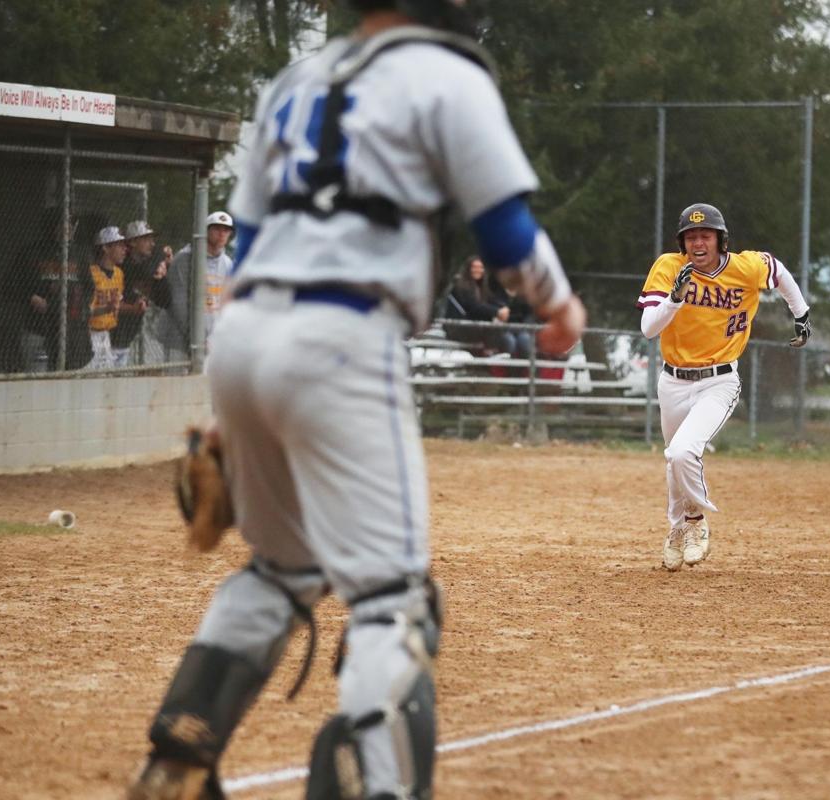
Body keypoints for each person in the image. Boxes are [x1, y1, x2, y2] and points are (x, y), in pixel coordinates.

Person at [126, 2, 586, 798]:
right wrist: (561, 306)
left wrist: (230, 408)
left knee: (283, 568)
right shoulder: (444, 73)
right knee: (391, 598)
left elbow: (252, 241)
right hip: (342, 337)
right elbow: (505, 230)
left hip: (245, 336)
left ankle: (176, 763)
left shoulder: (299, 78)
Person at [636, 203, 811, 572]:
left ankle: (696, 521)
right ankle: (677, 529)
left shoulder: (745, 267)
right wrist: (675, 299)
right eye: (690, 237)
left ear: (720, 239)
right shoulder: (669, 267)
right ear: (682, 243)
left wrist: (801, 313)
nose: (698, 243)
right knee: (673, 460)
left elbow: (779, 272)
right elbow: (649, 328)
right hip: (673, 381)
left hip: (719, 380)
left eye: (706, 236)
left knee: (683, 451)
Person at [1, 208, 94, 372]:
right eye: (64, 223)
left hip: (69, 333)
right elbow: (9, 286)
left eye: (71, 223)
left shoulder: (79, 254)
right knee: (40, 379)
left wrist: (75, 302)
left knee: (69, 378)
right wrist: (32, 298)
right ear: (52, 225)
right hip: (39, 329)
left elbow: (89, 287)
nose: (69, 228)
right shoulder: (32, 253)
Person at [157, 211, 234, 362]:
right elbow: (178, 303)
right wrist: (197, 339)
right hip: (179, 341)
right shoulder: (186, 258)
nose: (222, 233)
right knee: (177, 378)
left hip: (210, 343)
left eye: (226, 230)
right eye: (216, 228)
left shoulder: (227, 263)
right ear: (206, 231)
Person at [443, 255, 522, 355]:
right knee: (495, 327)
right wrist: (497, 312)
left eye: (480, 267)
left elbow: (491, 300)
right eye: (474, 267)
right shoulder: (460, 285)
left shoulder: (481, 286)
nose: (478, 270)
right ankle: (489, 353)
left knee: (501, 328)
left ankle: (492, 353)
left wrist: (503, 308)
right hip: (457, 327)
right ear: (468, 269)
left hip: (471, 327)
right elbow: (474, 307)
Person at [120, 220, 174, 366]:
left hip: (129, 338)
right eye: (146, 239)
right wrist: (160, 258)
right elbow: (143, 271)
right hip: (110, 337)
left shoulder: (151, 264)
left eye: (152, 239)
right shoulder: (122, 263)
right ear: (132, 242)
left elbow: (165, 301)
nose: (152, 244)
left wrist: (161, 275)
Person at [87, 226, 128, 370]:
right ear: (105, 248)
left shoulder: (119, 273)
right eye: (119, 245)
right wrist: (107, 308)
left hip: (106, 335)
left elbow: (116, 305)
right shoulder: (91, 273)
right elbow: (85, 311)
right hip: (89, 334)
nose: (124, 249)